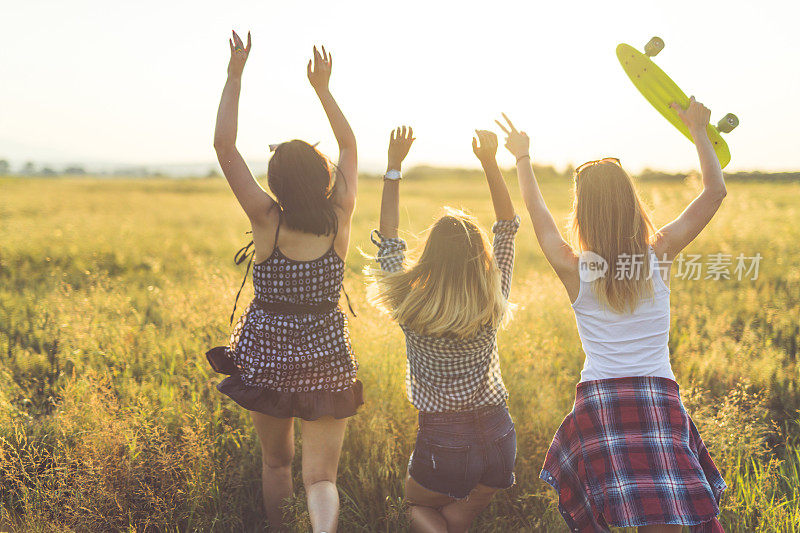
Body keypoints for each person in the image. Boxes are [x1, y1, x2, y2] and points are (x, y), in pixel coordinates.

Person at [496, 101, 726, 533]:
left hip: (600, 405)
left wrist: (522, 157)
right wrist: (699, 130)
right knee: (669, 519)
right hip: (657, 399)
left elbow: (539, 216)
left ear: (583, 212)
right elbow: (715, 193)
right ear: (630, 202)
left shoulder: (573, 266)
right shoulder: (659, 253)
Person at [208, 30, 362, 532]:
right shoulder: (340, 216)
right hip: (326, 354)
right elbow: (348, 144)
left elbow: (224, 145)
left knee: (277, 463)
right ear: (322, 176)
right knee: (322, 478)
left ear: (275, 181)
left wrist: (235, 74)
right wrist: (323, 89)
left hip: (266, 355)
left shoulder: (266, 220)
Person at [367, 126, 519, 533]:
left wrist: (394, 167)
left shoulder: (408, 302)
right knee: (460, 516)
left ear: (430, 255)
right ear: (480, 257)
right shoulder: (493, 295)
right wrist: (489, 161)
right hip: (499, 434)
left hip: (445, 439)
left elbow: (390, 241)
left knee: (414, 508)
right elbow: (506, 224)